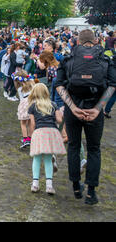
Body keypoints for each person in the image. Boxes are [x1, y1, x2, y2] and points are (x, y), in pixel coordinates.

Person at [55, 29, 116, 205]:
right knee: (94, 149)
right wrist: (98, 109)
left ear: (78, 41)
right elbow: (113, 84)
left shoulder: (68, 58)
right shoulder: (105, 59)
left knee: (73, 146)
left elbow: (59, 84)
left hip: (74, 108)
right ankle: (90, 192)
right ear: (95, 41)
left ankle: (76, 186)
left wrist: (72, 108)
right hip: (94, 109)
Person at [28, 83, 66, 195]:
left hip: (39, 132)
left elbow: (32, 124)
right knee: (49, 159)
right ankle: (49, 186)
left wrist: (31, 137)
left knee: (37, 158)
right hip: (51, 132)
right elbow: (59, 120)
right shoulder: (53, 104)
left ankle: (35, 184)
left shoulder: (33, 107)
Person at [12, 70, 35, 148]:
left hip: (24, 104)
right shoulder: (32, 84)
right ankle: (30, 138)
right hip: (32, 103)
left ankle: (25, 139)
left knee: (23, 123)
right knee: (30, 122)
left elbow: (22, 100)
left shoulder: (20, 89)